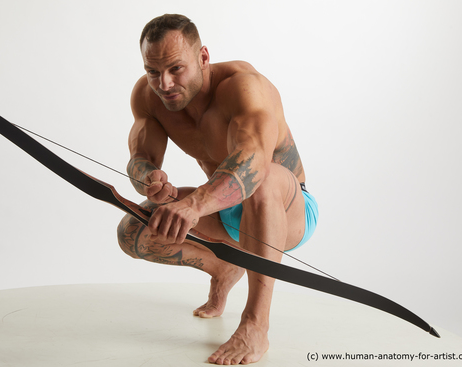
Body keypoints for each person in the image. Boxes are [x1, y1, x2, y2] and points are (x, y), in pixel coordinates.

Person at [117, 14, 318, 365]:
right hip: (221, 212)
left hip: (285, 210)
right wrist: (150, 179)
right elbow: (139, 160)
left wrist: (194, 203)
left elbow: (253, 161)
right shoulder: (148, 97)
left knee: (262, 178)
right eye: (153, 72)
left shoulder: (245, 87)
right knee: (134, 231)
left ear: (203, 58)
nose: (163, 83)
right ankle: (222, 267)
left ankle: (256, 325)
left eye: (175, 69)